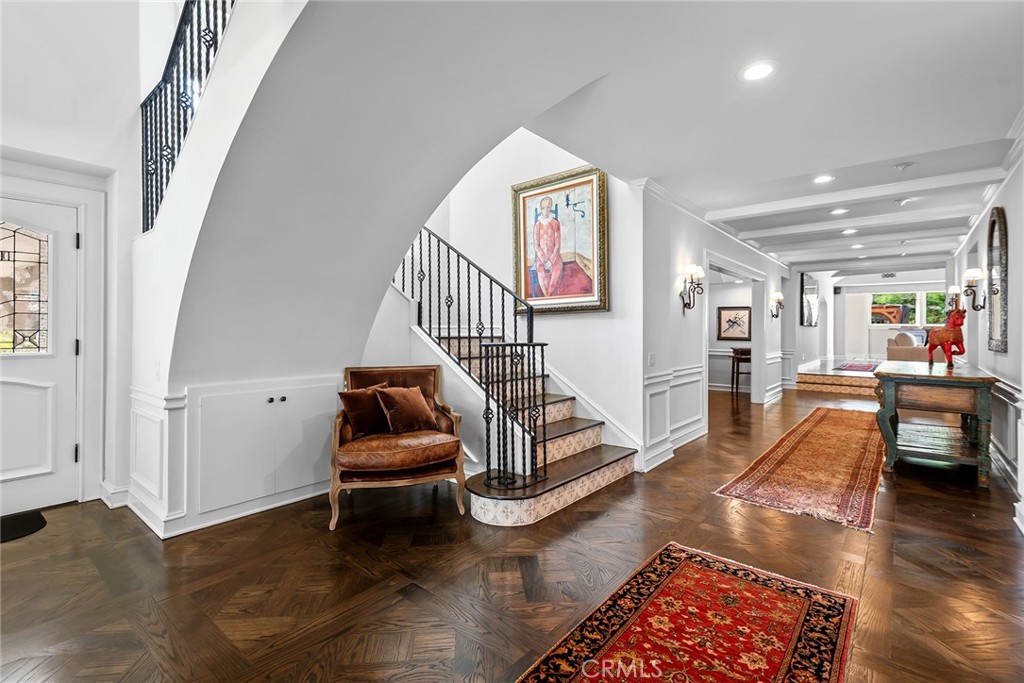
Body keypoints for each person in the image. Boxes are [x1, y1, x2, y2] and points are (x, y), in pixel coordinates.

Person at [532, 196, 563, 297]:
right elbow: (536, 246)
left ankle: (549, 297)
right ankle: (547, 297)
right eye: (543, 208)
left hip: (554, 257)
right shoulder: (537, 225)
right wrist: (544, 260)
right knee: (541, 274)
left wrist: (551, 261)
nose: (546, 210)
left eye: (548, 207)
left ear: (551, 208)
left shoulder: (555, 223)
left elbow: (558, 245)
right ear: (541, 209)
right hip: (541, 258)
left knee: (555, 273)